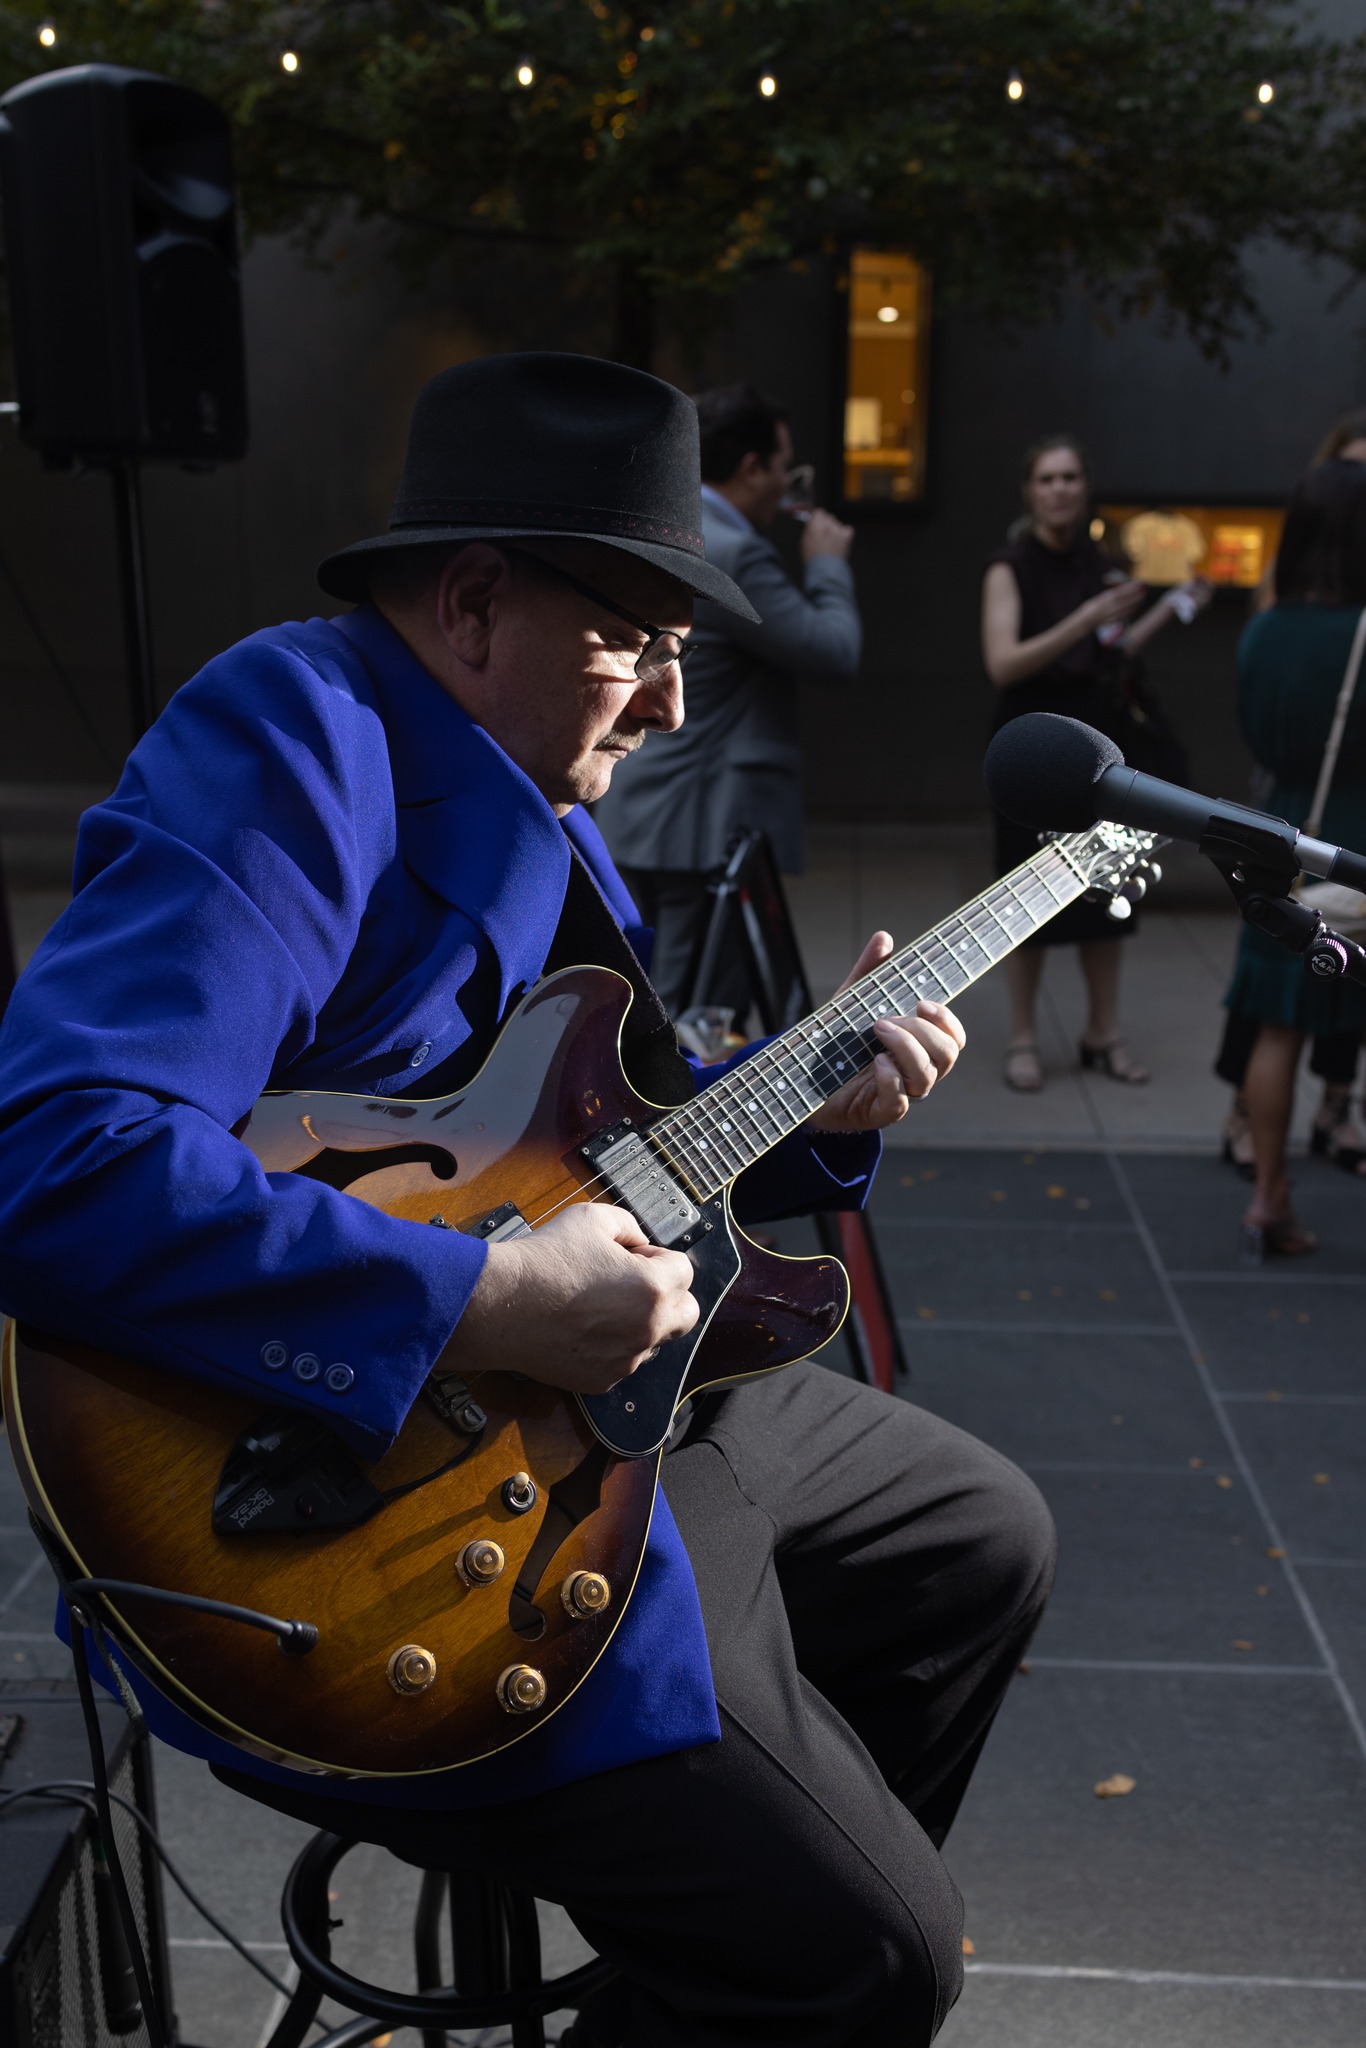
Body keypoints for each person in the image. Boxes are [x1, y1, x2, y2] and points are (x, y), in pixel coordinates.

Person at [0, 354, 1055, 2048]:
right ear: (477, 601)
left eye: (685, 656)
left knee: (975, 1539)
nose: (668, 707)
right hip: (335, 1504)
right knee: (875, 1954)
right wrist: (484, 1303)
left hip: (590, 1401)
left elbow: (582, 1155)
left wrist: (820, 1102)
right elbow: (55, 1159)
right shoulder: (297, 739)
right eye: (639, 641)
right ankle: (771, 1930)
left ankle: (719, 1939)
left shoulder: (531, 789)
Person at [594, 382, 861, 1018]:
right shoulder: (737, 549)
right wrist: (828, 563)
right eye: (784, 467)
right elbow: (833, 652)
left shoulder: (678, 528)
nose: (786, 485)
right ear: (752, 467)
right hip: (703, 823)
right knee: (691, 1019)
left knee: (639, 999)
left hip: (644, 808)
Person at [981, 433, 1193, 1092]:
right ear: (1029, 491)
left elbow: (1111, 651)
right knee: (1025, 897)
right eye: (1047, 479)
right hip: (1034, 746)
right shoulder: (1009, 566)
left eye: (1070, 477)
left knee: (1110, 890)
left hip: (1099, 742)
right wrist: (1089, 616)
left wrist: (1167, 611)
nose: (1060, 489)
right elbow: (1004, 662)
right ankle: (1023, 1035)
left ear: (1085, 486)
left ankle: (1104, 1030)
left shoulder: (1099, 564)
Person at [1222, 458, 1366, 1259]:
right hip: (1355, 838)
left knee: (1275, 1029)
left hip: (1276, 838)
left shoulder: (1262, 631)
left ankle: (1268, 1196)